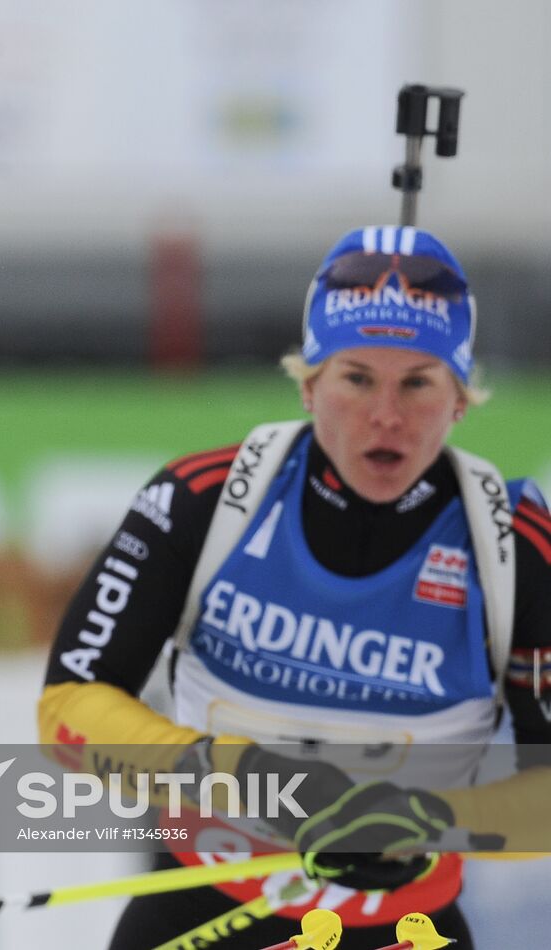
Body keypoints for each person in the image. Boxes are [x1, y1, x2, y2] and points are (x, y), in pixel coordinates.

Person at [39, 225, 551, 948]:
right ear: (309, 384)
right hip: (204, 907)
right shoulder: (205, 498)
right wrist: (248, 776)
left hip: (403, 927)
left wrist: (433, 818)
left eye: (417, 383)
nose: (385, 416)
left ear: (461, 398)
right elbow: (68, 711)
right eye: (357, 378)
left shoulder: (515, 544)